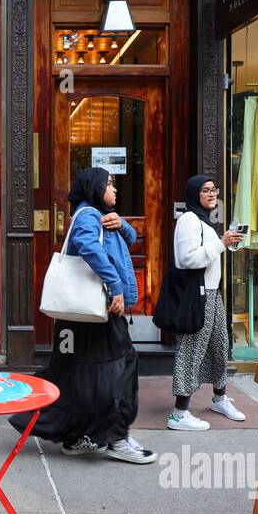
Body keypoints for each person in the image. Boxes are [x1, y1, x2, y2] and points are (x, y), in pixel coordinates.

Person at [15, 167, 156, 464]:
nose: (115, 189)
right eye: (109, 184)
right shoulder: (89, 215)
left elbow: (128, 239)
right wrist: (115, 285)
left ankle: (81, 436)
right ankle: (117, 439)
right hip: (99, 308)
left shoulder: (96, 214)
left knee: (82, 373)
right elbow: (88, 246)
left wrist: (122, 225)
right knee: (120, 368)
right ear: (94, 187)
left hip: (82, 314)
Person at [168, 175, 247, 430]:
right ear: (194, 194)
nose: (212, 194)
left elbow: (210, 253)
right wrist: (221, 243)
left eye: (214, 189)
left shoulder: (203, 220)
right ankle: (179, 413)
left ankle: (220, 398)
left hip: (211, 293)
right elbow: (188, 259)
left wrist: (225, 243)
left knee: (219, 346)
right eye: (205, 190)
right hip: (197, 296)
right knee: (192, 350)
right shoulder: (189, 220)